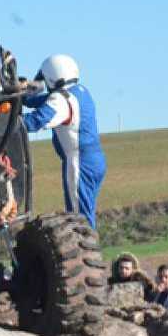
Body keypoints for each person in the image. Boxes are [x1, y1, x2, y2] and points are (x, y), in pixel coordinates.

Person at [21, 54, 106, 229]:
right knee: (86, 211)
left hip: (78, 162)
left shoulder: (60, 101)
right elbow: (37, 101)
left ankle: (86, 246)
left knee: (79, 218)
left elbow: (35, 121)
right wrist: (23, 93)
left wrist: (8, 122)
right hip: (95, 160)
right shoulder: (80, 92)